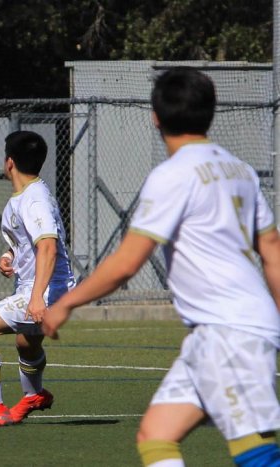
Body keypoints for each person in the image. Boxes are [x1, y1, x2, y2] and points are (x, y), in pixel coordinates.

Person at [42, 67, 280, 466]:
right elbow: (271, 249)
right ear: (211, 111)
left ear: (155, 117)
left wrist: (66, 303)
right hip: (224, 329)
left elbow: (127, 262)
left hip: (227, 330)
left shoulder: (173, 175)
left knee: (253, 448)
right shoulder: (238, 170)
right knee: (156, 434)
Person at [0, 130, 75, 427]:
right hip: (43, 287)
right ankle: (34, 395)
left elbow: (48, 246)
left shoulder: (33, 199)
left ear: (9, 162)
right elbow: (29, 240)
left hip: (45, 290)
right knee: (27, 344)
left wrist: (38, 297)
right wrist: (10, 256)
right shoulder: (30, 194)